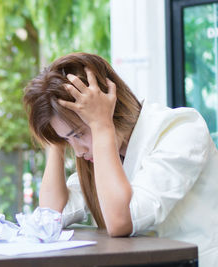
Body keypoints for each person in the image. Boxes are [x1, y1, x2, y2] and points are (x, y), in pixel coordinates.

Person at [23, 52, 218, 266]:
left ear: (109, 108)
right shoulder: (100, 155)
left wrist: (101, 125)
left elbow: (120, 221)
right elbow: (52, 215)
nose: (77, 151)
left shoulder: (180, 130)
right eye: (68, 141)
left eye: (78, 134)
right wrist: (56, 140)